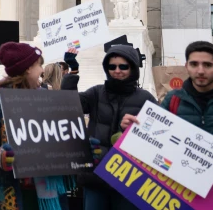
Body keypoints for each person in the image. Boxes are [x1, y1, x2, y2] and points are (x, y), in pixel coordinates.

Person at [123, 41, 213, 209]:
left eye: (207, 65)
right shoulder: (173, 100)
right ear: (186, 67)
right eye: (194, 64)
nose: (200, 70)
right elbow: (153, 143)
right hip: (183, 196)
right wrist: (132, 128)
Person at [61, 45, 156, 210]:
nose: (117, 71)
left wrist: (132, 131)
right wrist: (73, 72)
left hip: (129, 178)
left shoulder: (146, 98)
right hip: (95, 176)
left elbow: (156, 136)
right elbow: (68, 105)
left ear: (133, 68)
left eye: (123, 66)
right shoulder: (96, 93)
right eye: (112, 66)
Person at [0, 42, 72, 209]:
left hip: (45, 193)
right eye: (39, 65)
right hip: (9, 192)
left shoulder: (46, 97)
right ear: (28, 68)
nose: (42, 70)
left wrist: (82, 149)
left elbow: (61, 138)